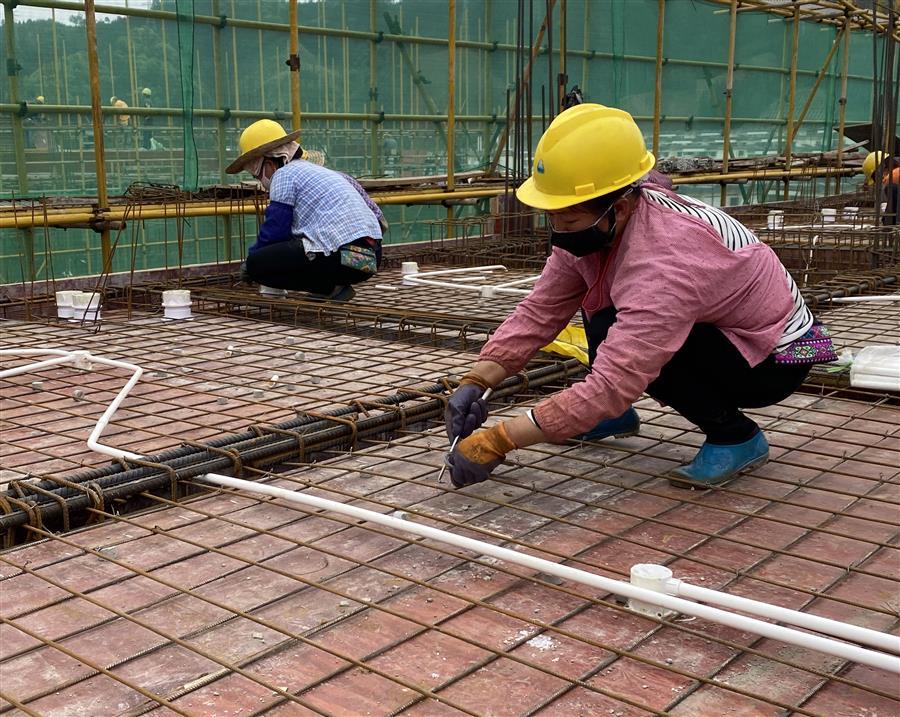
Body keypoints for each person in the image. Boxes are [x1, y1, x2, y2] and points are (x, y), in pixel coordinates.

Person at [444, 104, 837, 490]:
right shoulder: (608, 222)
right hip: (726, 331)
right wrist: (477, 380)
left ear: (619, 206)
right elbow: (541, 310)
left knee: (639, 345)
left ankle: (735, 435)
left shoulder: (666, 260)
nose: (559, 229)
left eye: (569, 219)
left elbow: (618, 377)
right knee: (600, 302)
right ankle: (609, 417)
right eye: (552, 216)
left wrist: (500, 439)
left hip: (774, 358)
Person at [226, 119, 384, 301]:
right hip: (370, 259)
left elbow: (275, 231)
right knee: (303, 244)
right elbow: (378, 216)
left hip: (340, 258)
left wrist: (252, 263)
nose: (260, 181)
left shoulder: (283, 175)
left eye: (257, 175)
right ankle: (333, 287)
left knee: (258, 263)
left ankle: (328, 287)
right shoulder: (331, 174)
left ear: (269, 164)